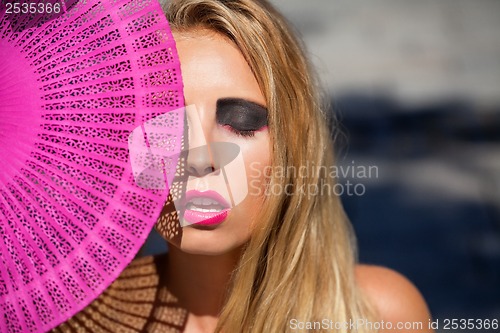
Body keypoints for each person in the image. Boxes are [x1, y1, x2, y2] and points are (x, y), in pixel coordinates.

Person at [53, 0, 432, 332]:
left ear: (293, 144)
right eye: (166, 122)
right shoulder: (77, 319)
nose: (199, 159)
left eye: (240, 122)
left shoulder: (378, 317)